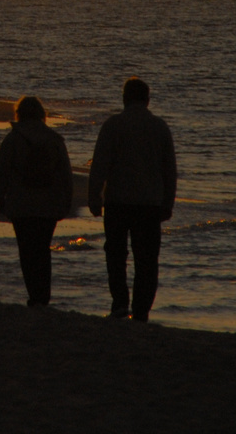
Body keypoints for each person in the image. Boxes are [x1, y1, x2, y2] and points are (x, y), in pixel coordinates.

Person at [88, 77, 177, 322]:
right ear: (147, 100)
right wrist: (168, 202)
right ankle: (141, 310)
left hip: (118, 200)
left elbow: (100, 165)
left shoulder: (113, 125)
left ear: (124, 98)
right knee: (147, 259)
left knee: (116, 255)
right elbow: (170, 169)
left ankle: (119, 303)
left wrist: (94, 196)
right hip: (149, 203)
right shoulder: (159, 127)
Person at [0, 96, 74, 306]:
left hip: (21, 204)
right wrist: (66, 202)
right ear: (41, 114)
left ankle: (34, 296)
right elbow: (65, 174)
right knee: (43, 250)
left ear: (19, 114)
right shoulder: (54, 139)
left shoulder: (13, 139)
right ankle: (43, 297)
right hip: (49, 205)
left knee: (27, 252)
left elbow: (1, 172)